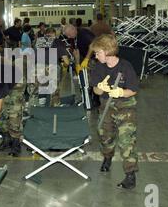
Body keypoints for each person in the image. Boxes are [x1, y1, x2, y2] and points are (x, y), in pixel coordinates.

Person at [90, 34, 139, 190]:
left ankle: (130, 175)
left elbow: (133, 90)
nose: (96, 56)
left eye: (98, 52)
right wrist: (100, 88)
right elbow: (96, 90)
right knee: (106, 136)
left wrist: (120, 92)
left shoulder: (126, 66)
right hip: (106, 105)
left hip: (126, 106)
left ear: (107, 51)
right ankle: (107, 157)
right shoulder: (98, 67)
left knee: (127, 140)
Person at [50, 25, 78, 106]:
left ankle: (41, 103)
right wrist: (65, 66)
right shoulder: (58, 41)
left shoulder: (40, 40)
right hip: (52, 68)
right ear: (54, 34)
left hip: (37, 68)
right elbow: (66, 61)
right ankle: (55, 106)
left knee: (40, 88)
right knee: (54, 88)